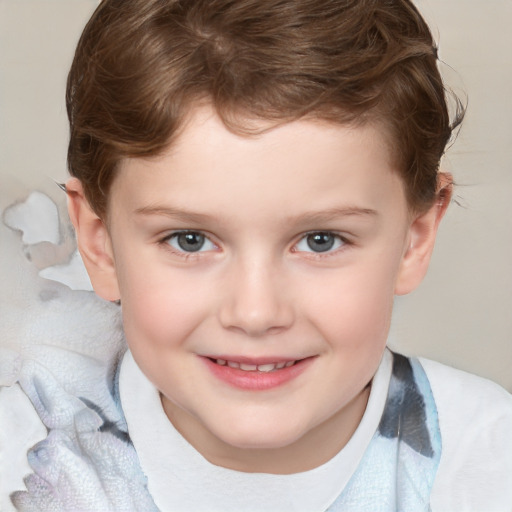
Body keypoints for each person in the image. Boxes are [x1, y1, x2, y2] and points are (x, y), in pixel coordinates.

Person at [3, 0, 512, 510]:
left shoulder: (487, 464)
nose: (255, 312)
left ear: (415, 238)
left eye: (320, 240)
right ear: (100, 242)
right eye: (190, 240)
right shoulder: (23, 444)